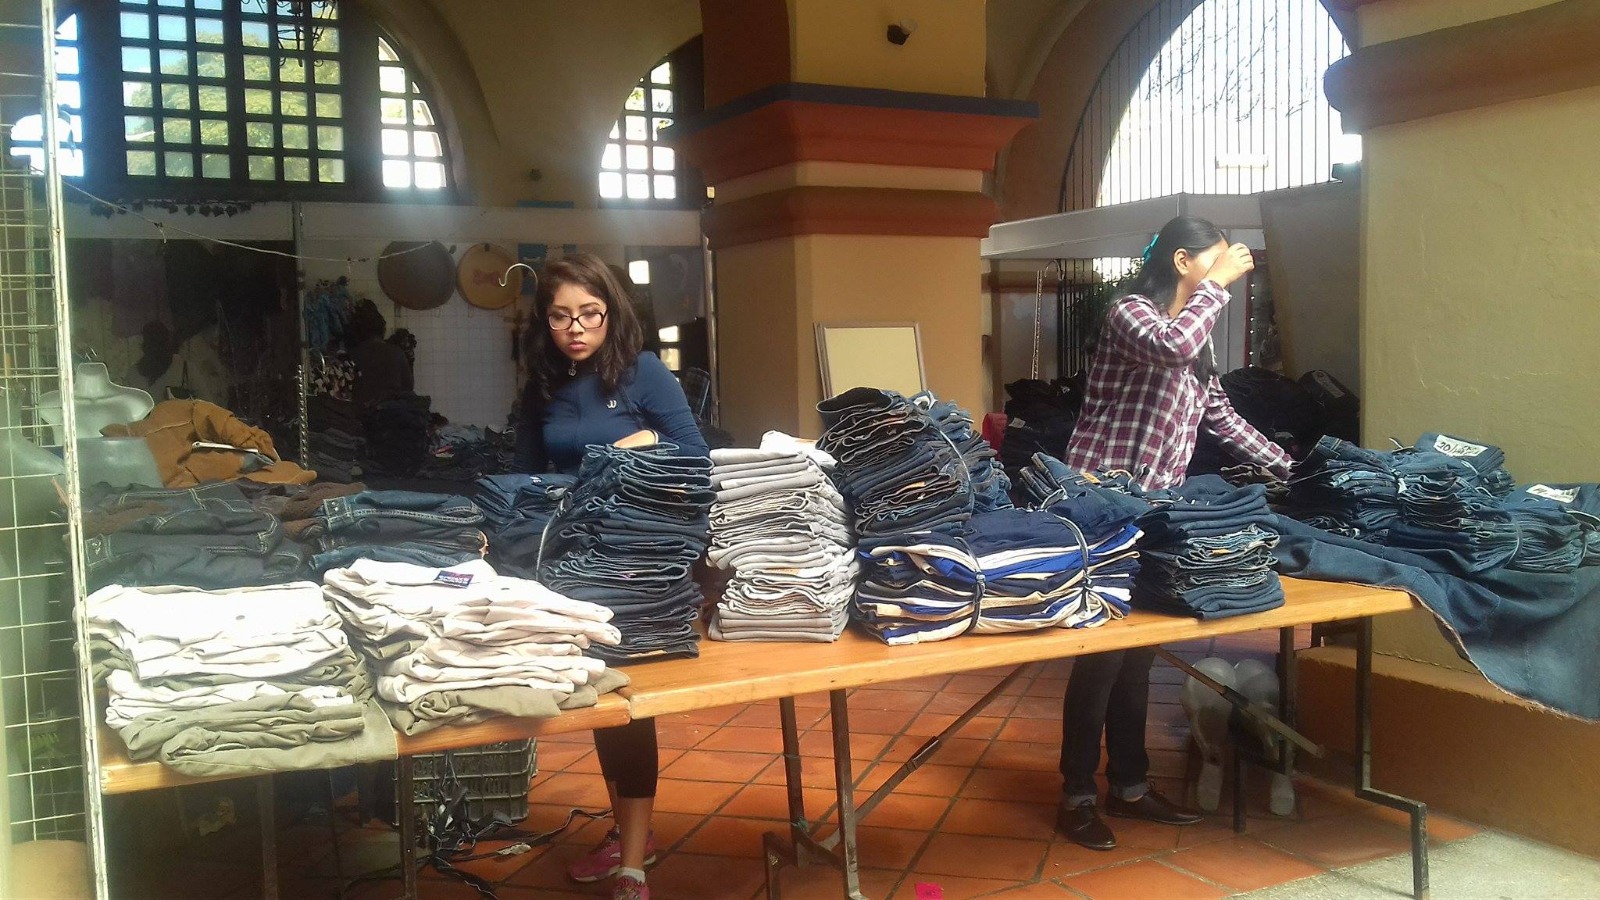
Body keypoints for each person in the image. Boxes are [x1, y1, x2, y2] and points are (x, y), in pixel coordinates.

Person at [1056, 216, 1293, 850]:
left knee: (1138, 654)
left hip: (1157, 510)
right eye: (1215, 260)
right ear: (1182, 260)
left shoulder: (1197, 338)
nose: (1227, 270)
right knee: (1101, 658)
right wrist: (1219, 286)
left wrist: (1293, 469)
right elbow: (1171, 346)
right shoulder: (1131, 314)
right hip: (1101, 502)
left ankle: (1130, 787)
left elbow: (1221, 417)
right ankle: (1076, 797)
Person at [510, 253, 707, 900]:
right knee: (599, 700)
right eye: (560, 315)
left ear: (611, 312)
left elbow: (694, 454)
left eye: (589, 314)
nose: (576, 328)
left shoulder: (642, 371)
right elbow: (525, 472)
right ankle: (627, 833)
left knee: (631, 705)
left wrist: (631, 448)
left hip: (632, 557)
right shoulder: (542, 383)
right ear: (544, 321)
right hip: (570, 562)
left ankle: (632, 866)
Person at [346, 299, 414, 410]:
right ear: (383, 329)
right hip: (393, 413)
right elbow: (408, 389)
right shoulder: (396, 353)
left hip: (361, 414)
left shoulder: (353, 355)